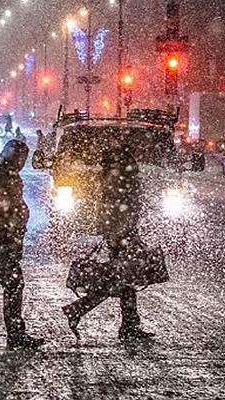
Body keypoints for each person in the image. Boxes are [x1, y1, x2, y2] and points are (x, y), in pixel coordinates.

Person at [61, 139, 155, 341]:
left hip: (120, 233)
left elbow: (116, 208)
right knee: (122, 280)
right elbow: (122, 207)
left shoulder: (113, 174)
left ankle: (124, 323)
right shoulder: (121, 176)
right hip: (121, 234)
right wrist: (123, 233)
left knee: (122, 280)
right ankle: (125, 324)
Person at [0, 139, 44, 350]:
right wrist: (8, 233)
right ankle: (15, 335)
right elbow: (1, 210)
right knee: (13, 285)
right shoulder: (2, 175)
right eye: (22, 158)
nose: (23, 163)